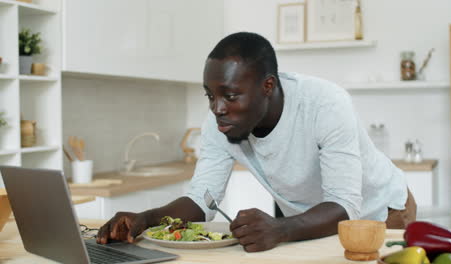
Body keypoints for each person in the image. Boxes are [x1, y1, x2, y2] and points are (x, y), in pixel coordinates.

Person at [96, 32, 416, 252]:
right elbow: (201, 200)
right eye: (211, 95)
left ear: (267, 86)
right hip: (310, 222)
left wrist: (281, 228)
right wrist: (145, 219)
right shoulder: (220, 122)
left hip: (381, 212)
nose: (217, 108)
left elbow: (345, 206)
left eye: (230, 95)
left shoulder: (325, 104)